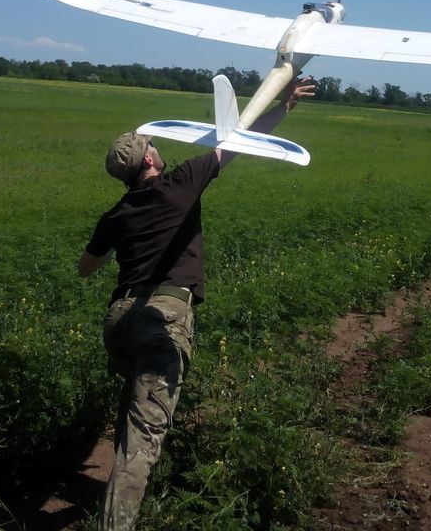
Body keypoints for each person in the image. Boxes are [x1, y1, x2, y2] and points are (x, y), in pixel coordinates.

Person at [78, 75, 315, 531]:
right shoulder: (183, 181)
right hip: (162, 320)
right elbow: (240, 140)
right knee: (142, 438)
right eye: (152, 145)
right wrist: (284, 107)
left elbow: (86, 268)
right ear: (150, 158)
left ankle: (117, 485)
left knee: (136, 399)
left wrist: (114, 243)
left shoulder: (115, 215)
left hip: (119, 322)